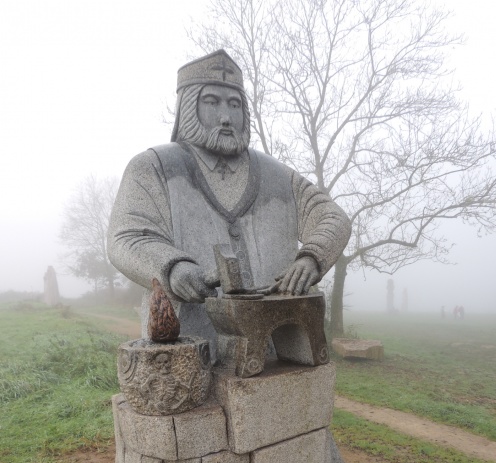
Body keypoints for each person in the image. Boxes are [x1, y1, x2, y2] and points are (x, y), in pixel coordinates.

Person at [107, 50, 351, 351]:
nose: (226, 117)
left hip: (277, 357)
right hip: (187, 354)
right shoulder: (153, 167)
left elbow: (333, 218)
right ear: (188, 107)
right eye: (212, 102)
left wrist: (312, 258)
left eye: (235, 105)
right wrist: (172, 268)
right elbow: (126, 237)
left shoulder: (278, 175)